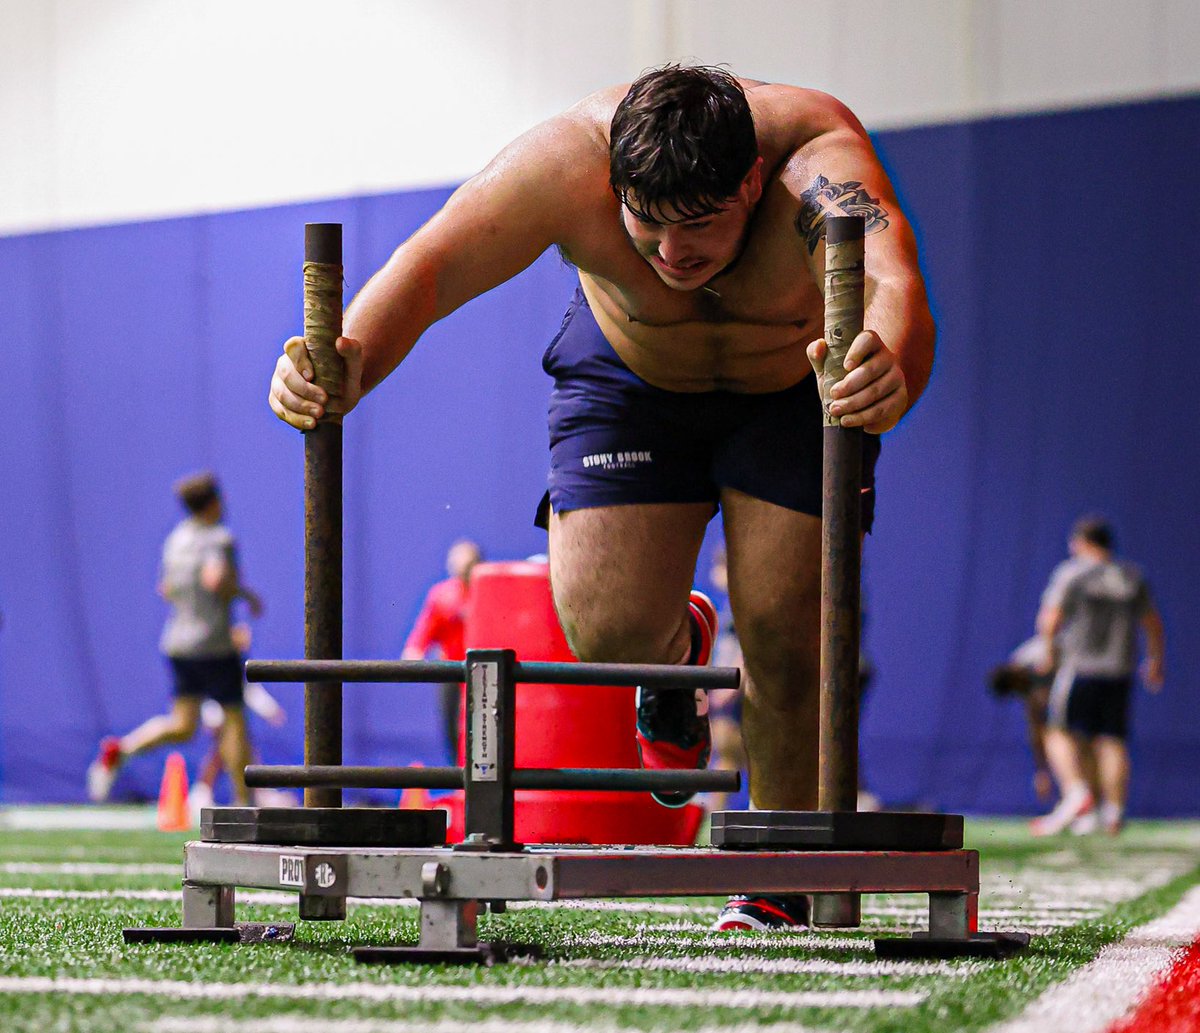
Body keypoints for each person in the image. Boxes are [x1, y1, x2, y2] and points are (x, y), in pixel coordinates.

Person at [269, 65, 935, 930]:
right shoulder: (565, 163)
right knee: (605, 629)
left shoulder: (817, 161)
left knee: (782, 626)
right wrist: (351, 355)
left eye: (698, 228)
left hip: (791, 387)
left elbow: (891, 281)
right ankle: (674, 656)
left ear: (749, 182)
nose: (670, 256)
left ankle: (780, 872)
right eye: (646, 227)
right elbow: (432, 267)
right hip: (629, 374)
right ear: (615, 185)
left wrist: (892, 363)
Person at [87, 472, 264, 806]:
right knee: (234, 720)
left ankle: (120, 750)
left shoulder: (176, 540)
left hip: (179, 642)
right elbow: (215, 579)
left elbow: (165, 588)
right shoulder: (218, 538)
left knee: (183, 725)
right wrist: (245, 595)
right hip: (214, 644)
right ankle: (245, 802)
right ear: (213, 502)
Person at [1029, 516, 1165, 836]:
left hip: (1081, 667)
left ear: (1082, 542)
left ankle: (1077, 794)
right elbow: (1152, 622)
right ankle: (1113, 811)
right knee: (1111, 741)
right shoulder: (1131, 576)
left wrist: (1048, 651)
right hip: (1120, 669)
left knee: (1057, 731)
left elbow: (1051, 617)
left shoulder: (1072, 573)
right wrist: (1156, 659)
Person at [401, 539, 483, 760]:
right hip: (451, 669)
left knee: (483, 727)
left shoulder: (487, 592)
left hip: (483, 671)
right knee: (451, 726)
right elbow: (425, 628)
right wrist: (414, 650)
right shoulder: (442, 595)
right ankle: (459, 778)